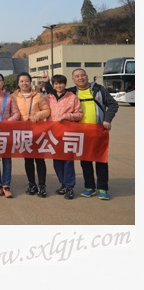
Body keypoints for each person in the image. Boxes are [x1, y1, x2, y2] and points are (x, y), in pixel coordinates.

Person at [43, 68, 118, 200]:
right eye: (77, 76)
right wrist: (47, 83)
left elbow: (113, 104)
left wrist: (107, 119)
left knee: (100, 159)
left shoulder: (99, 90)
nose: (80, 78)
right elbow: (55, 93)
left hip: (97, 130)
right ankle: (89, 187)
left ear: (87, 76)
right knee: (85, 161)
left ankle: (103, 188)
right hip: (79, 133)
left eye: (82, 75)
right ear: (73, 80)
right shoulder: (73, 91)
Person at [43, 73, 83, 200]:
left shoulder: (72, 97)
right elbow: (43, 111)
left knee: (68, 161)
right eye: (56, 84)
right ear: (53, 85)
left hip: (67, 134)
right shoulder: (48, 98)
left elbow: (79, 114)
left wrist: (66, 116)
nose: (58, 86)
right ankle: (63, 184)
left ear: (65, 84)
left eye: (61, 83)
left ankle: (70, 187)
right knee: (57, 161)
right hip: (53, 134)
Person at [12, 72, 51, 197]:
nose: (24, 83)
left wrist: (38, 115)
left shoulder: (38, 96)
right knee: (28, 159)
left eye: (27, 81)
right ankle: (32, 184)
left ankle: (42, 186)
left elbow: (47, 110)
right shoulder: (13, 97)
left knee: (40, 160)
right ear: (18, 83)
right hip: (23, 132)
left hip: (37, 131)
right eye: (21, 81)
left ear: (30, 82)